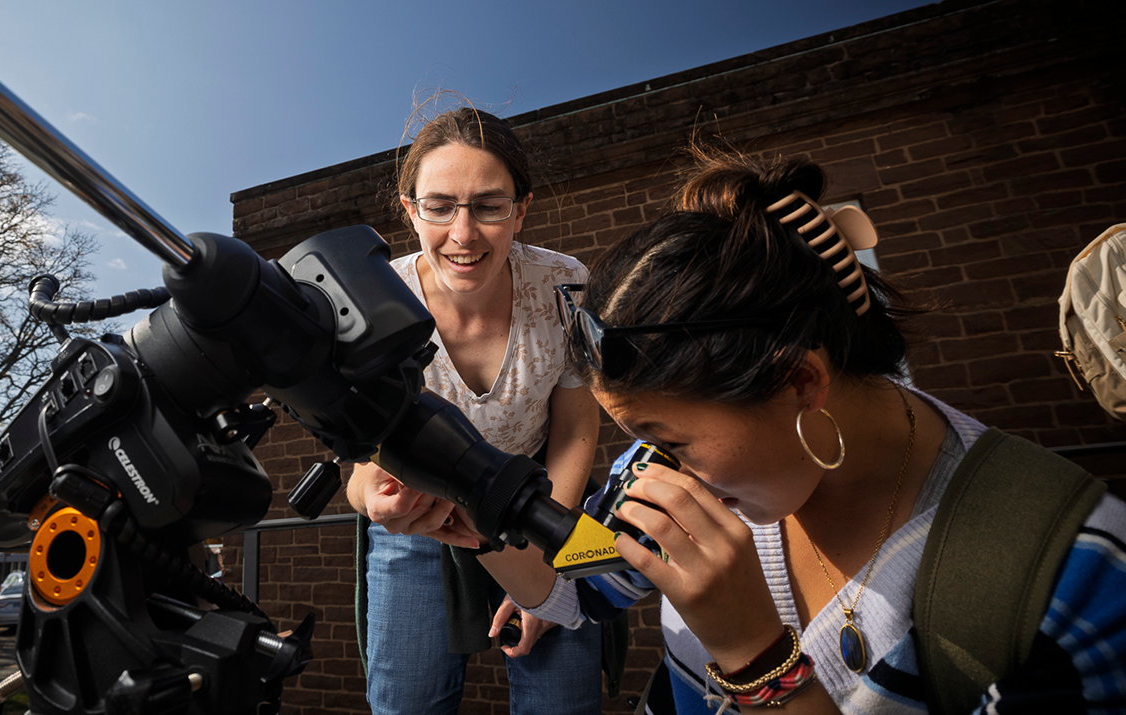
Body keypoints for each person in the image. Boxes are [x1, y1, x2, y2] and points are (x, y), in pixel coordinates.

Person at [476, 148, 1126, 713]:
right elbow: (574, 587)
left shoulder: (1075, 579)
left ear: (799, 380)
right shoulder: (664, 469)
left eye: (672, 439)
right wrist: (468, 506)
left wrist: (754, 655)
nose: (651, 466)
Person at [345, 107, 604, 714]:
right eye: (439, 207)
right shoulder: (372, 297)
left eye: (489, 206)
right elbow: (358, 467)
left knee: (562, 702)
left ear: (521, 209)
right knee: (406, 704)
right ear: (411, 211)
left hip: (543, 501)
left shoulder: (564, 282)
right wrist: (374, 503)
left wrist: (548, 556)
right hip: (425, 519)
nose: (463, 234)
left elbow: (575, 427)